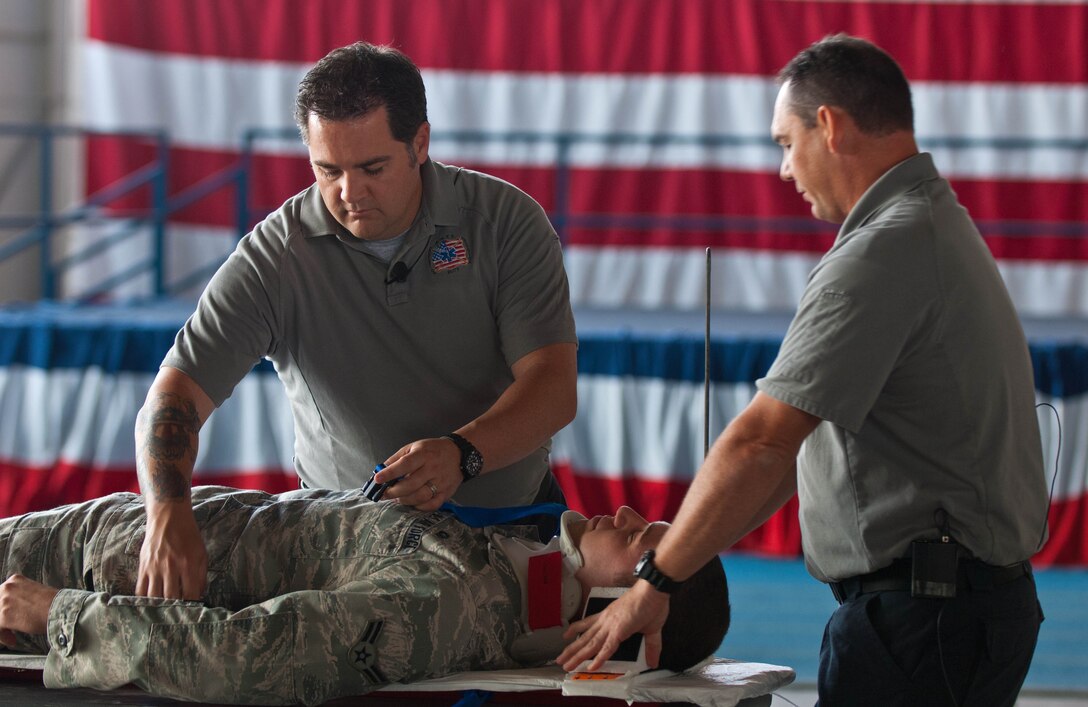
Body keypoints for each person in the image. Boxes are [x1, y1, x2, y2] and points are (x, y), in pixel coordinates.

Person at [559, 34, 1048, 707]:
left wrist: (652, 586)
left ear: (830, 126)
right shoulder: (934, 224)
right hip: (951, 612)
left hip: (922, 622)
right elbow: (785, 459)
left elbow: (761, 438)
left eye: (786, 143)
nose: (785, 169)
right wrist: (683, 562)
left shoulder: (883, 251)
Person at [135, 42, 578, 601]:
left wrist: (463, 454)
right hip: (346, 551)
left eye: (372, 168)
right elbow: (174, 396)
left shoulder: (505, 222)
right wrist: (166, 512)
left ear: (420, 143)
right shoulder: (276, 256)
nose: (349, 194)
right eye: (328, 171)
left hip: (512, 529)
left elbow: (555, 387)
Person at [0, 489, 729, 706]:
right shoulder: (503, 564)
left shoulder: (452, 600)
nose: (628, 516)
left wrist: (60, 614)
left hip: (80, 575)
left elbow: (252, 654)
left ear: (619, 618)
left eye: (645, 542)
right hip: (101, 533)